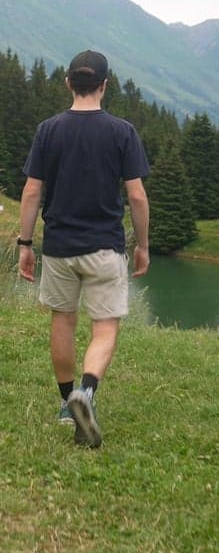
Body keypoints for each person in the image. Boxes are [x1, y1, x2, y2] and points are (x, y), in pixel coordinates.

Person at [18, 50, 150, 448]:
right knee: (105, 326)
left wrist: (25, 244)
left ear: (68, 83)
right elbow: (137, 196)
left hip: (58, 247)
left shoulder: (48, 130)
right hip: (105, 248)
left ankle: (65, 403)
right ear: (106, 84)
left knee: (63, 321)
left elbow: (32, 190)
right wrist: (142, 245)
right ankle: (86, 393)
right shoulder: (122, 131)